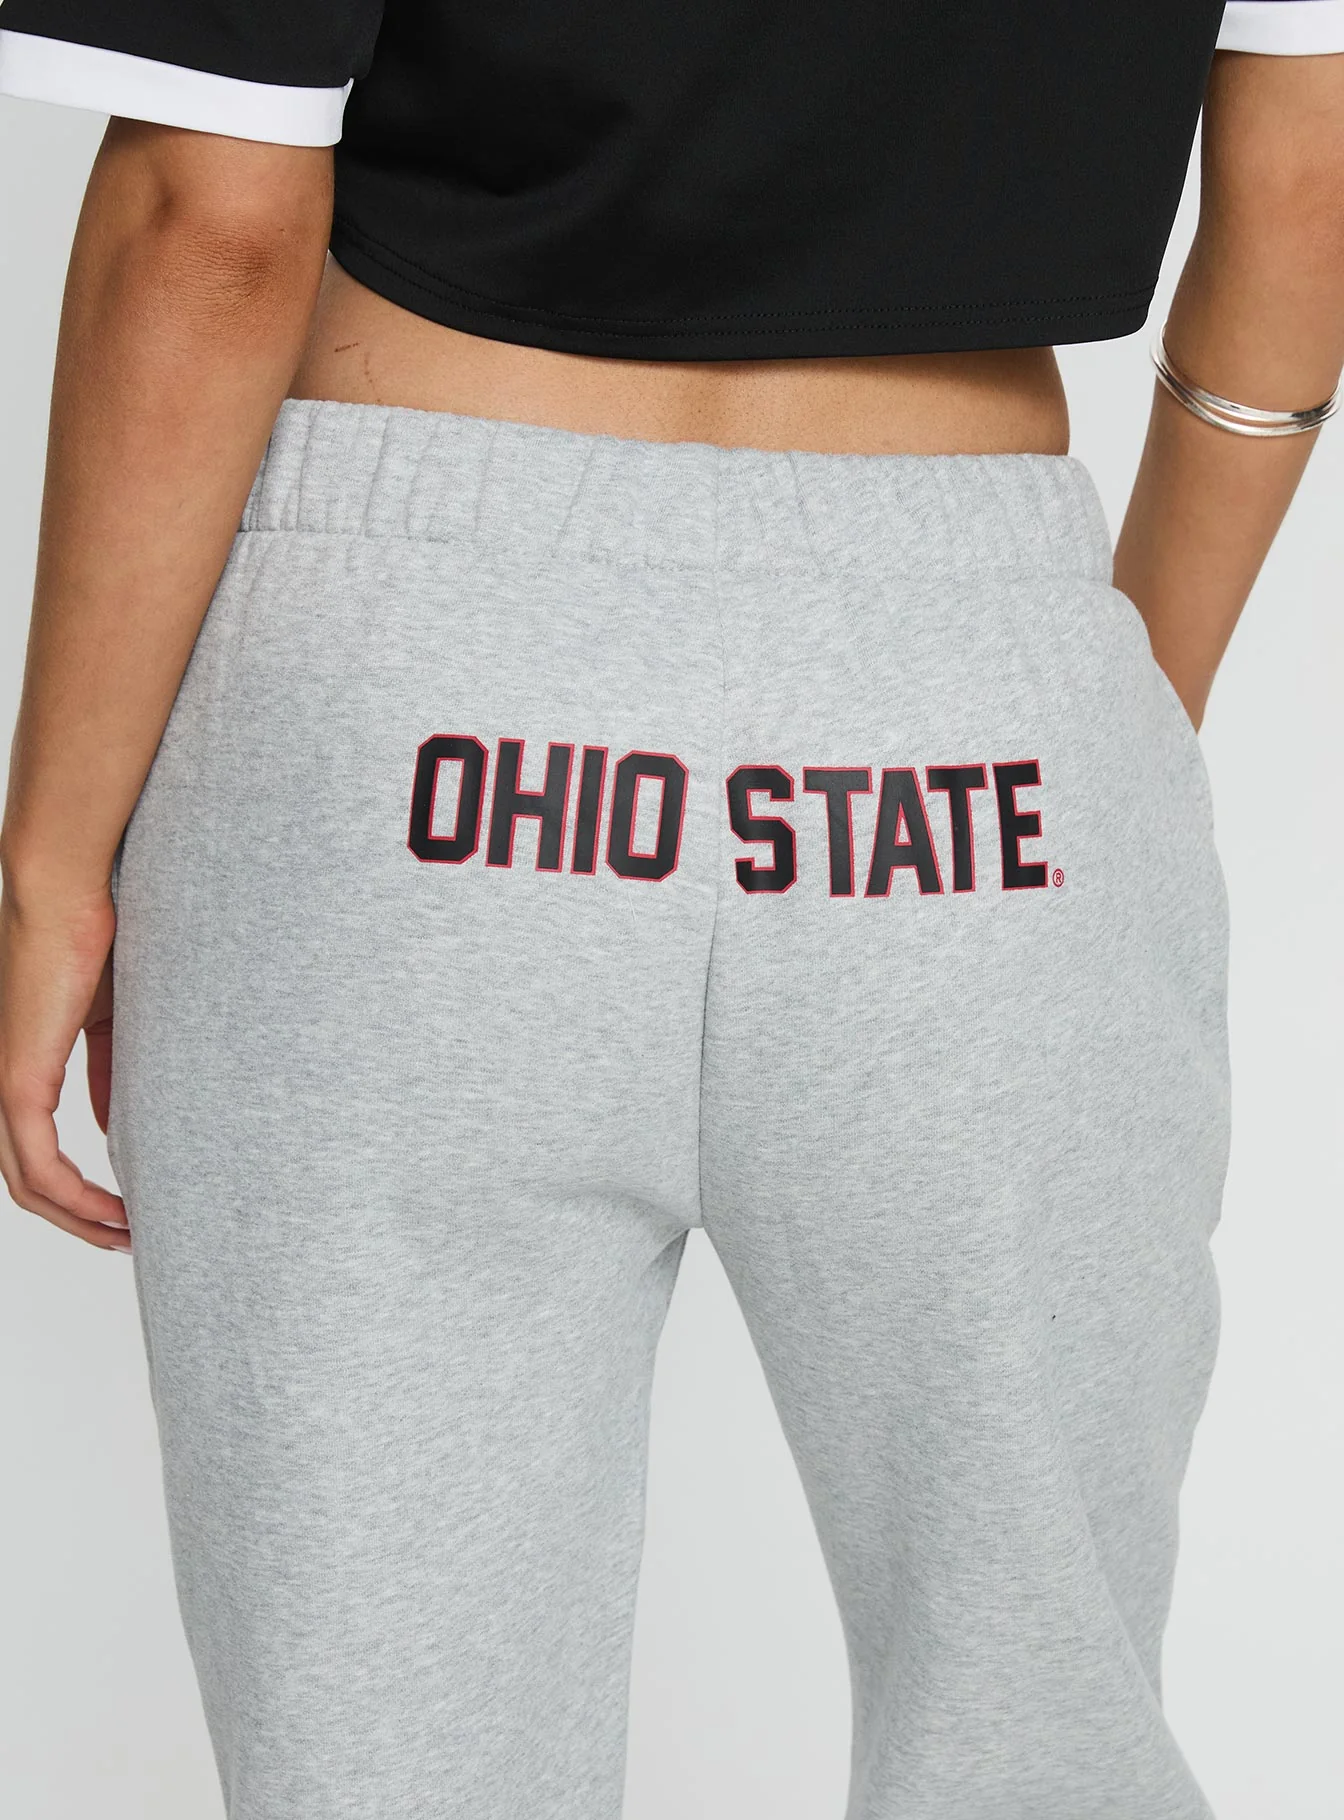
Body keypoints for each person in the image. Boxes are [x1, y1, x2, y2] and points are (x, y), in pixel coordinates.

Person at [0, 2, 1341, 1814]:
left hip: (412, 676)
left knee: (385, 1761)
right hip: (975, 704)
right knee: (1044, 1736)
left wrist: (53, 860)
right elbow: (1307, 179)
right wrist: (1098, 717)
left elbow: (212, 216)